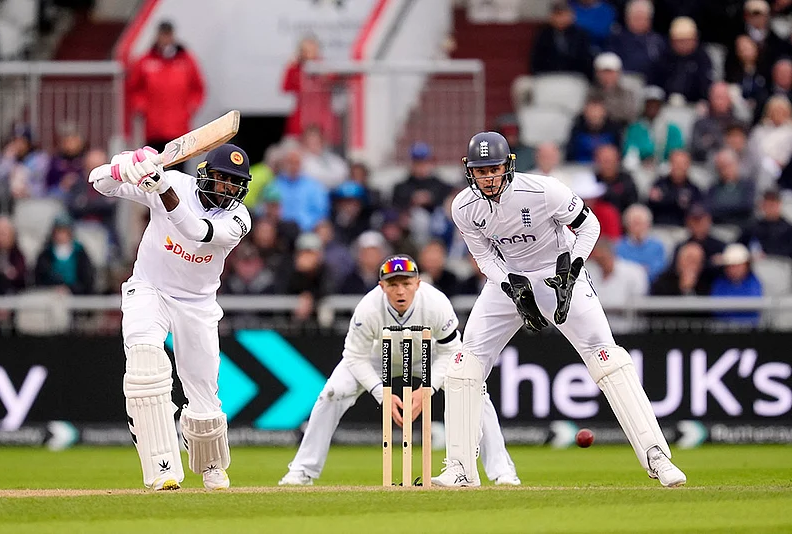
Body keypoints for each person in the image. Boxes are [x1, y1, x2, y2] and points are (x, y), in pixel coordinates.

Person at [434, 131, 685, 487]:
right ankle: (460, 468)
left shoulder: (543, 190)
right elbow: (484, 255)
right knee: (464, 364)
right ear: (469, 172)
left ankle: (657, 457)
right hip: (509, 281)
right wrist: (510, 284)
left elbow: (590, 226)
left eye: (494, 168)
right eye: (480, 171)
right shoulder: (463, 207)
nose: (488, 177)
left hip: (560, 274)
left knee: (607, 358)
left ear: (509, 166)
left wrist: (574, 267)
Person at [87, 142, 253, 491]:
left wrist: (159, 185)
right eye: (223, 179)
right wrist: (126, 166)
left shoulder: (238, 219)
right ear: (205, 175)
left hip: (198, 303)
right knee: (146, 366)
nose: (228, 189)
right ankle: (161, 466)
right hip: (149, 288)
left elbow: (197, 231)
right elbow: (98, 181)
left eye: (235, 183)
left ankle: (210, 465)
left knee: (204, 395)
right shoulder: (177, 183)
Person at [278, 255, 520, 486]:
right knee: (331, 393)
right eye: (393, 284)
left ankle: (502, 471)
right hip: (377, 357)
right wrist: (381, 393)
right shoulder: (368, 309)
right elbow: (354, 356)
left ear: (418, 283)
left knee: (473, 390)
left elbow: (451, 352)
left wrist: (427, 388)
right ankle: (302, 470)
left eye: (406, 283)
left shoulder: (436, 303)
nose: (400, 291)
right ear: (382, 286)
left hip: (430, 354)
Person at [126, 21, 205, 162]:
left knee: (178, 170)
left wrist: (191, 107)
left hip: (179, 128)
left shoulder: (186, 60)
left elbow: (198, 88)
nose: (165, 38)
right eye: (163, 35)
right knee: (155, 167)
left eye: (168, 35)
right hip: (154, 128)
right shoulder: (146, 60)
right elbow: (134, 88)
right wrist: (142, 107)